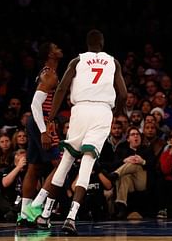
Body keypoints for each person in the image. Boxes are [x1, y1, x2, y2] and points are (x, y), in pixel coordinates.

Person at [30, 29, 127, 235]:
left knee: (65, 162)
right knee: (87, 163)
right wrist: (116, 112)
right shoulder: (113, 62)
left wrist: (51, 118)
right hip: (101, 111)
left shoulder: (77, 61)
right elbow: (124, 94)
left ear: (87, 45)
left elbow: (62, 88)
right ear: (102, 44)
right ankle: (71, 218)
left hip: (80, 110)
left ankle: (45, 214)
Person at [18, 42, 63, 227]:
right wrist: (44, 130)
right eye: (55, 47)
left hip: (39, 123)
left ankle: (23, 214)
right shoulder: (48, 74)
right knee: (60, 166)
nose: (59, 49)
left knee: (34, 167)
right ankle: (34, 210)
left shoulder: (49, 72)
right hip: (41, 123)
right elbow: (35, 105)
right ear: (50, 55)